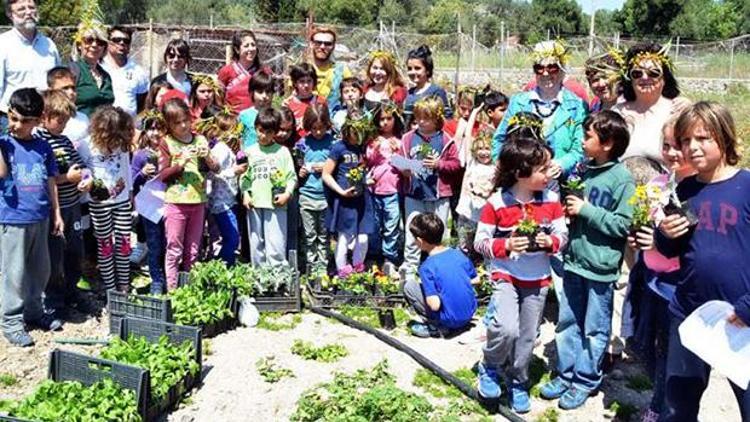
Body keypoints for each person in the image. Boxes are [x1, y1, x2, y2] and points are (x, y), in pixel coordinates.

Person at [656, 102, 750, 422]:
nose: (691, 147)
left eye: (702, 138)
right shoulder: (686, 189)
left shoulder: (747, 187)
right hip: (691, 313)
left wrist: (748, 307)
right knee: (678, 408)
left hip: (742, 319)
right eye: (685, 140)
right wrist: (665, 233)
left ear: (724, 138)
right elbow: (670, 249)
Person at [539, 110, 635, 410]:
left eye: (588, 136)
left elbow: (623, 224)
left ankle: (585, 380)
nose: (582, 141)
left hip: (601, 268)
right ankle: (565, 374)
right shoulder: (584, 169)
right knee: (568, 322)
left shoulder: (622, 179)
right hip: (574, 261)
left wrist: (586, 211)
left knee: (595, 328)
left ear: (607, 143)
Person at [474, 137, 567, 413]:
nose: (548, 174)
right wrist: (506, 246)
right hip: (506, 275)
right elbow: (480, 242)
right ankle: (490, 366)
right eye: (542, 169)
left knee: (527, 336)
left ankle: (518, 379)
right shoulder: (496, 203)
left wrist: (552, 243)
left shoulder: (551, 200)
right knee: (505, 328)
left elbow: (563, 234)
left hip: (537, 279)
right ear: (520, 172)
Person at [626, 117, 694, 422]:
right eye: (666, 145)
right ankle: (661, 398)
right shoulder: (658, 185)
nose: (671, 152)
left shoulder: (697, 191)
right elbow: (644, 224)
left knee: (670, 353)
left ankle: (662, 406)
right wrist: (637, 236)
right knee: (644, 343)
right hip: (649, 276)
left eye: (678, 145)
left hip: (675, 285)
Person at [0, 88, 64, 347]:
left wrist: (56, 211)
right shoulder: (5, 145)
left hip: (40, 216)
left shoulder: (43, 147)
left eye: (24, 121)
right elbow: (2, 174)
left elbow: (51, 181)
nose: (16, 125)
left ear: (38, 121)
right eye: (12, 118)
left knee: (40, 269)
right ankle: (11, 320)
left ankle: (34, 311)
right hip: (13, 218)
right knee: (13, 272)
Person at [492, 40, 587, 179]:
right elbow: (499, 139)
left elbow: (580, 148)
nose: (545, 73)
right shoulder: (518, 102)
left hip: (560, 181)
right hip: (520, 181)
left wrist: (561, 164)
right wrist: (502, 164)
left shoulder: (577, 106)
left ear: (562, 70)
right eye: (539, 68)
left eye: (552, 68)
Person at [37, 90, 94, 319]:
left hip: (73, 205)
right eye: (59, 120)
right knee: (55, 256)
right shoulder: (40, 141)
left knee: (75, 252)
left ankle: (72, 292)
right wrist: (66, 179)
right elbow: (43, 178)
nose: (63, 125)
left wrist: (86, 179)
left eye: (66, 121)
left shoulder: (64, 140)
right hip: (55, 208)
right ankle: (54, 301)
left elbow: (81, 167)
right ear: (45, 116)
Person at [158, 98, 218, 290]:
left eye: (186, 120)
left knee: (193, 250)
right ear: (169, 124)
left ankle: (190, 289)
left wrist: (206, 156)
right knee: (174, 249)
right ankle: (173, 290)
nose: (183, 125)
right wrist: (180, 164)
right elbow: (163, 175)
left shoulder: (200, 139)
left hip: (198, 201)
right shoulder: (167, 143)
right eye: (177, 123)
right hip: (175, 202)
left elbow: (216, 168)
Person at [400, 96, 461, 281]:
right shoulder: (408, 138)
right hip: (415, 193)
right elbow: (396, 160)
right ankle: (409, 270)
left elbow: (456, 165)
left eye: (426, 118)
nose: (421, 122)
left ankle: (439, 269)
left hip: (438, 195)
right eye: (418, 117)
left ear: (436, 118)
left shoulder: (445, 139)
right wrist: (405, 169)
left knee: (439, 233)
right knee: (413, 233)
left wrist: (438, 164)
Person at [77, 106, 133, 294]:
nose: (113, 142)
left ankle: (124, 285)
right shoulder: (86, 145)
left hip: (122, 200)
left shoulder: (122, 144)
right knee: (105, 245)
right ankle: (111, 288)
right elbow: (83, 169)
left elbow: (127, 168)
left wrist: (131, 192)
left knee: (124, 244)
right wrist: (86, 180)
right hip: (99, 203)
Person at [612, 42, 690, 163]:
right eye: (637, 73)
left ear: (665, 78)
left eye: (653, 73)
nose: (644, 77)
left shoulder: (678, 111)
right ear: (629, 78)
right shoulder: (617, 112)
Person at [403, 212, 477, 338]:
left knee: (409, 287)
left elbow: (434, 305)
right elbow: (476, 279)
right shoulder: (458, 254)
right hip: (469, 313)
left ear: (420, 241)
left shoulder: (427, 267)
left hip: (450, 320)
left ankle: (436, 326)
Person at [240, 108, 296, 266]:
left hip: (276, 204)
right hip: (255, 204)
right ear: (256, 128)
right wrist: (245, 193)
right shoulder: (249, 152)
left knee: (276, 244)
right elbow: (245, 177)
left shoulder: (282, 152)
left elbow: (291, 177)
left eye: (268, 132)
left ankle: (279, 280)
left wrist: (287, 194)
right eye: (260, 131)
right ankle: (260, 281)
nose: (263, 136)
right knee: (256, 243)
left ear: (275, 132)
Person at [322, 111, 375, 276]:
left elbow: (364, 169)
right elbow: (326, 174)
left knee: (363, 238)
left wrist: (366, 180)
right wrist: (341, 191)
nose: (357, 136)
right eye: (354, 132)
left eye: (361, 132)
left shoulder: (362, 147)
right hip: (345, 200)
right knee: (344, 238)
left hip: (362, 199)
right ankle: (343, 272)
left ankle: (358, 268)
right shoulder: (339, 148)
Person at [0, 0, 61, 134]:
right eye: (21, 9)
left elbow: (57, 83)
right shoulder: (3, 44)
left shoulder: (49, 45)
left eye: (31, 7)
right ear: (10, 14)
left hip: (46, 120)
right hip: (13, 121)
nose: (28, 12)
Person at [202, 109, 246, 267]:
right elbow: (213, 174)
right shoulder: (221, 149)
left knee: (231, 237)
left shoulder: (228, 149)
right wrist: (233, 171)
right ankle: (221, 266)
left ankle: (227, 265)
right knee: (232, 238)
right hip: (221, 202)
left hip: (229, 200)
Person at [131, 110, 167, 294]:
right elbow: (132, 182)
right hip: (149, 207)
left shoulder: (169, 151)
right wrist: (142, 173)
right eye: (151, 129)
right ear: (145, 132)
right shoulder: (140, 155)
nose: (155, 133)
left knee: (169, 243)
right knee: (154, 245)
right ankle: (156, 280)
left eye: (159, 128)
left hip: (169, 205)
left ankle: (169, 277)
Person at [365, 101, 404, 274]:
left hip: (393, 190)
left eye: (389, 119)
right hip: (375, 190)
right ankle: (374, 255)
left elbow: (406, 166)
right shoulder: (374, 141)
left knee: (391, 224)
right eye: (381, 119)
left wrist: (397, 152)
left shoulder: (400, 140)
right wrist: (374, 150)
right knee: (374, 224)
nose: (385, 123)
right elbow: (369, 161)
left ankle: (390, 257)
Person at [297, 104, 334, 272]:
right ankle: (311, 266)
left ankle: (323, 266)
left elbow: (338, 168)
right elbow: (296, 167)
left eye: (321, 128)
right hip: (307, 196)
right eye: (314, 128)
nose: (318, 132)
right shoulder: (303, 144)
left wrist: (326, 167)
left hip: (325, 196)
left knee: (324, 234)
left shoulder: (333, 143)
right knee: (309, 234)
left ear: (327, 125)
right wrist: (301, 171)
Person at [455, 130, 496, 259]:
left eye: (487, 148)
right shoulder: (472, 162)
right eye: (480, 149)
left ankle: (487, 272)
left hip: (485, 214)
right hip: (467, 211)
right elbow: (467, 136)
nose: (484, 152)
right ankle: (463, 268)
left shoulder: (496, 167)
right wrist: (474, 113)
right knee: (464, 244)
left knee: (485, 244)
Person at [217, 30, 270, 113]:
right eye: (246, 46)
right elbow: (218, 99)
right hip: (233, 122)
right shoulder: (226, 71)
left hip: (258, 120)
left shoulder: (264, 71)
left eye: (253, 45)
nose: (251, 49)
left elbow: (269, 98)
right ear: (237, 49)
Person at [70, 18, 115, 117]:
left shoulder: (106, 76)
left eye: (100, 42)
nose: (94, 45)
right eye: (89, 40)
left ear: (104, 47)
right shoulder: (72, 71)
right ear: (79, 45)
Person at [101, 26, 149, 117]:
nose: (122, 43)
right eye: (116, 40)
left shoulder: (138, 72)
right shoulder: (99, 68)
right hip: (102, 125)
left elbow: (142, 105)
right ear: (108, 43)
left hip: (128, 127)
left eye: (126, 41)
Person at [403, 45, 452, 128]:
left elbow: (447, 118)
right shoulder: (409, 93)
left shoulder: (436, 91)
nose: (413, 72)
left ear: (428, 71)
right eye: (409, 69)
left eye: (417, 68)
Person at [307, 26, 352, 113]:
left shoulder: (342, 71)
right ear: (311, 44)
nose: (322, 46)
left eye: (327, 43)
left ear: (333, 46)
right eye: (318, 42)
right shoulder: (301, 71)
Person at [47, 67, 90, 148]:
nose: (71, 92)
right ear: (51, 90)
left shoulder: (83, 119)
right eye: (65, 88)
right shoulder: (46, 120)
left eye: (73, 88)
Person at [283, 63, 327, 137]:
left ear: (314, 82)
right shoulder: (288, 104)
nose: (306, 85)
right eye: (302, 81)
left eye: (309, 81)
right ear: (295, 83)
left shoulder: (321, 101)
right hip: (296, 144)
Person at [239, 71, 275, 149]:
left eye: (268, 92)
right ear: (252, 93)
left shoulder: (276, 114)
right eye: (260, 92)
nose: (264, 96)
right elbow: (240, 138)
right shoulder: (244, 115)